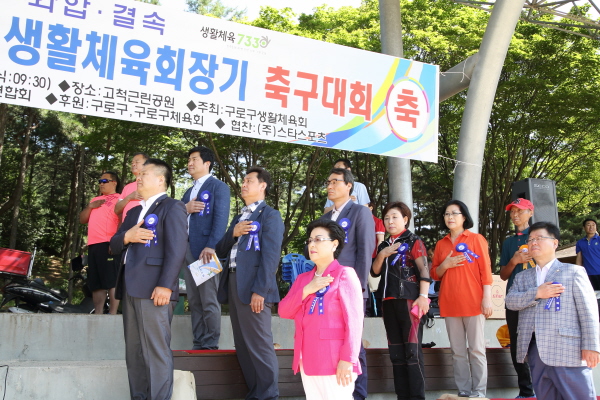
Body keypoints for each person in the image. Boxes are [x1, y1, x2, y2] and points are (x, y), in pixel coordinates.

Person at [110, 159, 188, 400]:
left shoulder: (172, 206)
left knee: (156, 351)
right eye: (138, 174)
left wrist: (166, 285)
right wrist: (127, 237)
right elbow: (112, 245)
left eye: (145, 174)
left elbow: (177, 249)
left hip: (155, 290)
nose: (139, 178)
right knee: (134, 353)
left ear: (161, 179)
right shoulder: (133, 211)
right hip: (130, 289)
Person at [505, 222, 600, 400]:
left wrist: (591, 346)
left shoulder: (574, 272)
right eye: (530, 239)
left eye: (539, 238)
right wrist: (537, 293)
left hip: (568, 351)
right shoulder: (522, 277)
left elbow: (589, 312)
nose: (533, 242)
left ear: (555, 243)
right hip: (535, 352)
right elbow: (510, 301)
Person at [215, 166, 284, 400]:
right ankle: (255, 393)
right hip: (234, 282)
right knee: (243, 345)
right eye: (243, 180)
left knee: (259, 344)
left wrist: (260, 291)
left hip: (254, 287)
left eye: (248, 180)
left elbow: (271, 257)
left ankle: (268, 395)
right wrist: (232, 233)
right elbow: (220, 249)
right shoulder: (240, 216)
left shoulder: (270, 215)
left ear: (262, 185)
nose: (243, 184)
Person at [279, 219, 364, 400]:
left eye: (318, 239)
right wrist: (308, 289)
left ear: (334, 244)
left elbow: (355, 323)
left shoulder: (345, 274)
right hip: (307, 360)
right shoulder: (303, 279)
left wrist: (347, 359)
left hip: (335, 361)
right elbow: (284, 311)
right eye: (310, 240)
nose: (312, 244)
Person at [320, 167, 374, 400]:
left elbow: (365, 251)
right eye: (328, 182)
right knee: (331, 343)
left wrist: (358, 289)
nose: (330, 186)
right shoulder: (324, 218)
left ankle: (358, 395)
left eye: (336, 182)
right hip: (324, 291)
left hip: (349, 290)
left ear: (349, 185)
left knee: (353, 344)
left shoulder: (359, 212)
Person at [430, 200, 493, 398]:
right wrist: (445, 264)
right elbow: (434, 274)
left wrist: (487, 298)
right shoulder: (441, 244)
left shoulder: (476, 239)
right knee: (457, 352)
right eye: (446, 214)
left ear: (464, 217)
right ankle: (464, 391)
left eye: (454, 213)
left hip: (474, 302)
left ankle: (479, 393)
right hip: (449, 304)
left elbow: (486, 271)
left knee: (476, 350)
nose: (450, 217)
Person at [371, 202, 430, 400]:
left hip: (409, 300)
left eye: (395, 217)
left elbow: (424, 271)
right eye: (387, 218)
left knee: (412, 352)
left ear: (405, 219)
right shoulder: (384, 244)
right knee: (396, 353)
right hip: (387, 302)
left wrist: (423, 297)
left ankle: (417, 397)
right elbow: (375, 271)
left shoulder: (414, 240)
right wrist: (382, 254)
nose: (390, 221)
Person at [182, 146, 230, 350]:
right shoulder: (187, 191)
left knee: (209, 299)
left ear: (207, 163)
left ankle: (210, 344)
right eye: (189, 160)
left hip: (206, 251)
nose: (189, 164)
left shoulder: (218, 187)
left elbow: (220, 219)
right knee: (194, 300)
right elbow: (177, 219)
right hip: (187, 250)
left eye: (194, 159)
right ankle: (198, 342)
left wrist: (212, 246)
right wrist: (185, 209)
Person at [498, 198, 535, 398]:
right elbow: (503, 275)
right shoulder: (509, 242)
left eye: (519, 211)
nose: (515, 215)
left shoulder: (539, 237)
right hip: (514, 298)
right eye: (512, 212)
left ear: (530, 212)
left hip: (538, 297)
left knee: (538, 342)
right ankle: (526, 391)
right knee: (517, 344)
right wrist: (514, 260)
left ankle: (544, 387)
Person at [79, 171, 121, 315]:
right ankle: (98, 313)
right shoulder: (95, 199)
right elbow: (82, 219)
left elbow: (122, 220)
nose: (101, 184)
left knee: (112, 279)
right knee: (96, 282)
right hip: (93, 244)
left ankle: (113, 312)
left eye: (104, 181)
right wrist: (91, 206)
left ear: (114, 183)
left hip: (108, 243)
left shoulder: (119, 198)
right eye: (99, 181)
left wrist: (115, 241)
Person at [115, 152, 148, 222]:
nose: (133, 164)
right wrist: (129, 198)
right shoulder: (127, 187)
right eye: (132, 162)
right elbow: (116, 210)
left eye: (137, 162)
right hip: (127, 229)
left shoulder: (152, 183)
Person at [575, 218, 600, 290]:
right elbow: (579, 259)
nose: (591, 227)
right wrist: (577, 272)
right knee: (593, 296)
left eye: (593, 225)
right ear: (584, 228)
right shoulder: (580, 242)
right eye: (588, 225)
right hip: (588, 274)